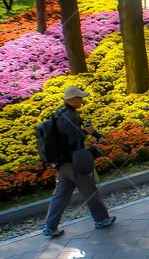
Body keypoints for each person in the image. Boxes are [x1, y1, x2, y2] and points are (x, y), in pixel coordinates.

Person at [41, 86, 115, 237]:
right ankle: (101, 220)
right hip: (72, 161)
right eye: (80, 98)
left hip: (62, 162)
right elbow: (74, 142)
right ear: (72, 99)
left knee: (61, 194)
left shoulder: (59, 113)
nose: (82, 100)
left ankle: (50, 227)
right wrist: (86, 132)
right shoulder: (72, 117)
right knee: (90, 190)